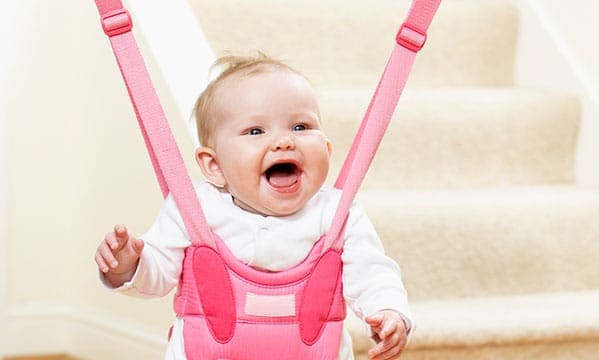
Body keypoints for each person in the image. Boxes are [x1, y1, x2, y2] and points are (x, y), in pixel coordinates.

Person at [94, 53, 413, 360]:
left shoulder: (338, 214)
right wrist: (129, 265)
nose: (284, 141)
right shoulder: (194, 208)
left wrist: (387, 309)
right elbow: (157, 275)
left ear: (327, 149)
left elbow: (373, 272)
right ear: (214, 165)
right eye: (256, 131)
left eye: (300, 127)